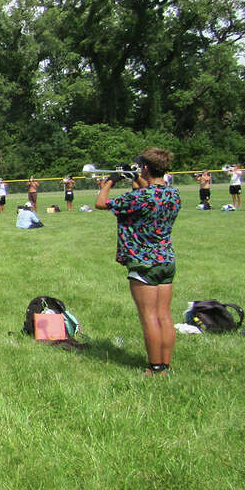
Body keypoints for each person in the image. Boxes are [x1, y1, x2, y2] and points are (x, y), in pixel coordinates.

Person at [94, 148, 180, 376]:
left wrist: (110, 181)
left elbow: (101, 203)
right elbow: (152, 192)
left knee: (149, 316)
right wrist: (136, 178)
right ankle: (166, 367)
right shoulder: (173, 194)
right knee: (165, 315)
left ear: (146, 168)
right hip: (166, 259)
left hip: (143, 263)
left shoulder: (139, 197)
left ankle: (154, 367)